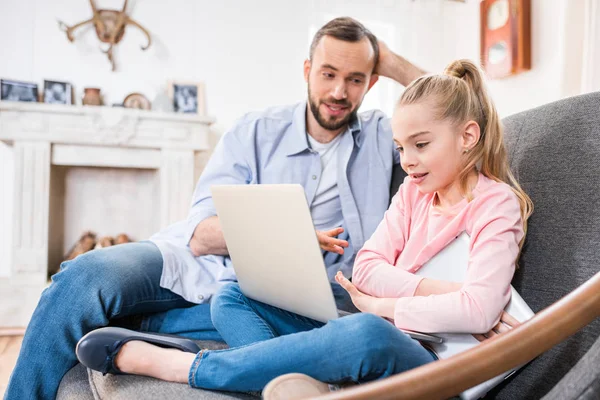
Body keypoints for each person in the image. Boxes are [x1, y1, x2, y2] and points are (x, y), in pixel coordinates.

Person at [5, 17, 423, 400]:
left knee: (243, 312)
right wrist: (286, 238)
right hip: (202, 265)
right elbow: (201, 235)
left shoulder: (383, 137)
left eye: (355, 79)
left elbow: (460, 113)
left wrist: (390, 61)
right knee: (82, 279)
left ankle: (154, 338)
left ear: (371, 84)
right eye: (328, 74)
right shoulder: (255, 130)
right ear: (306, 70)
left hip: (314, 300)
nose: (337, 91)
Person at [76, 59, 533, 393]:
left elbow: (477, 312)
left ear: (467, 137)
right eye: (400, 147)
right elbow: (367, 268)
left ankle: (188, 367)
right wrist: (438, 293)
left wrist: (385, 308)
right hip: (393, 325)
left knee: (366, 332)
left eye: (420, 144)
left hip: (440, 363)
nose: (407, 161)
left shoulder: (498, 206)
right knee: (233, 295)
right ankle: (302, 386)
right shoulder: (415, 192)